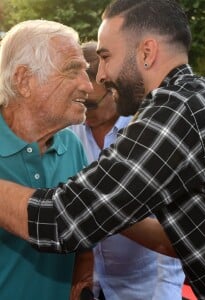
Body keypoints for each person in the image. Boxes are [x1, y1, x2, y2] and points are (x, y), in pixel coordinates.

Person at [0, 1, 205, 299]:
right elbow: (191, 236)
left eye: (105, 56)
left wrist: (95, 213)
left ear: (146, 53)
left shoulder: (177, 113)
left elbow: (59, 220)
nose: (98, 78)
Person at [70, 41, 184, 300]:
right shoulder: (70, 135)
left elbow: (172, 224)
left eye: (90, 104)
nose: (83, 112)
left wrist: (165, 293)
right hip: (90, 286)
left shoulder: (148, 135)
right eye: (77, 100)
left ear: (114, 90)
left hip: (145, 289)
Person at [0, 20, 94, 300]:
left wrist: (84, 271)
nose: (88, 86)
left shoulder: (71, 145)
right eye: (72, 70)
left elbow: (84, 229)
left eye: (85, 72)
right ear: (24, 80)